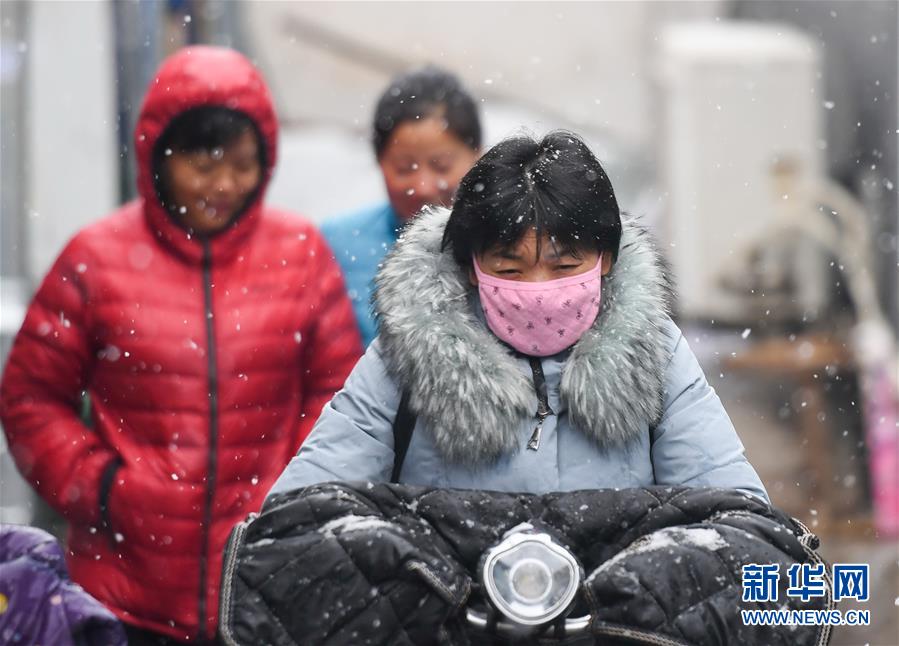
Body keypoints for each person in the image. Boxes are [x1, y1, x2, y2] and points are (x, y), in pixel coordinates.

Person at [0, 46, 362, 644]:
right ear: (156, 155)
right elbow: (30, 399)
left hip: (268, 580)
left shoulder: (300, 253)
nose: (224, 185)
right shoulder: (96, 259)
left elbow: (340, 395)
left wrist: (295, 493)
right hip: (122, 593)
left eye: (243, 165)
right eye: (203, 163)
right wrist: (103, 489)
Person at [268, 131, 769, 503]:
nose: (537, 290)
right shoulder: (406, 354)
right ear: (470, 267)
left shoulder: (654, 352)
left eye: (565, 266)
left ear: (606, 261)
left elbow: (729, 509)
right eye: (509, 267)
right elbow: (310, 508)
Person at [321, 66, 482, 346]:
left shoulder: (505, 243)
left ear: (477, 156)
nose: (423, 187)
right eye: (405, 168)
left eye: (441, 166)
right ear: (379, 161)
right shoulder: (335, 245)